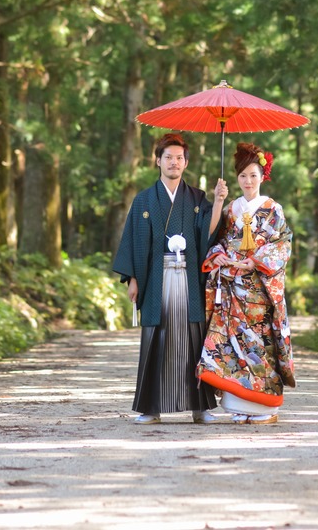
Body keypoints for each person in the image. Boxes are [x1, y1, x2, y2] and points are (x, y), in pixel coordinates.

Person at [112, 133, 228, 424]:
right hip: (156, 278)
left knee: (193, 337)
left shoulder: (197, 198)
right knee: (157, 338)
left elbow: (208, 234)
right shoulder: (144, 200)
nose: (173, 162)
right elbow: (133, 241)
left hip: (187, 278)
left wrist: (218, 202)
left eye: (179, 158)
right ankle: (151, 408)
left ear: (186, 162)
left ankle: (199, 407)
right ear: (157, 161)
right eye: (168, 157)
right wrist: (133, 280)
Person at [197, 141, 295, 424]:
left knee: (259, 345)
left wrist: (256, 261)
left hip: (260, 288)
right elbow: (217, 241)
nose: (248, 181)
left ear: (262, 176)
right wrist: (220, 257)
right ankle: (240, 406)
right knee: (233, 345)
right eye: (242, 176)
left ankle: (265, 407)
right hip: (232, 287)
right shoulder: (231, 208)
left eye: (253, 175)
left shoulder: (273, 209)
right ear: (236, 178)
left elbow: (282, 243)